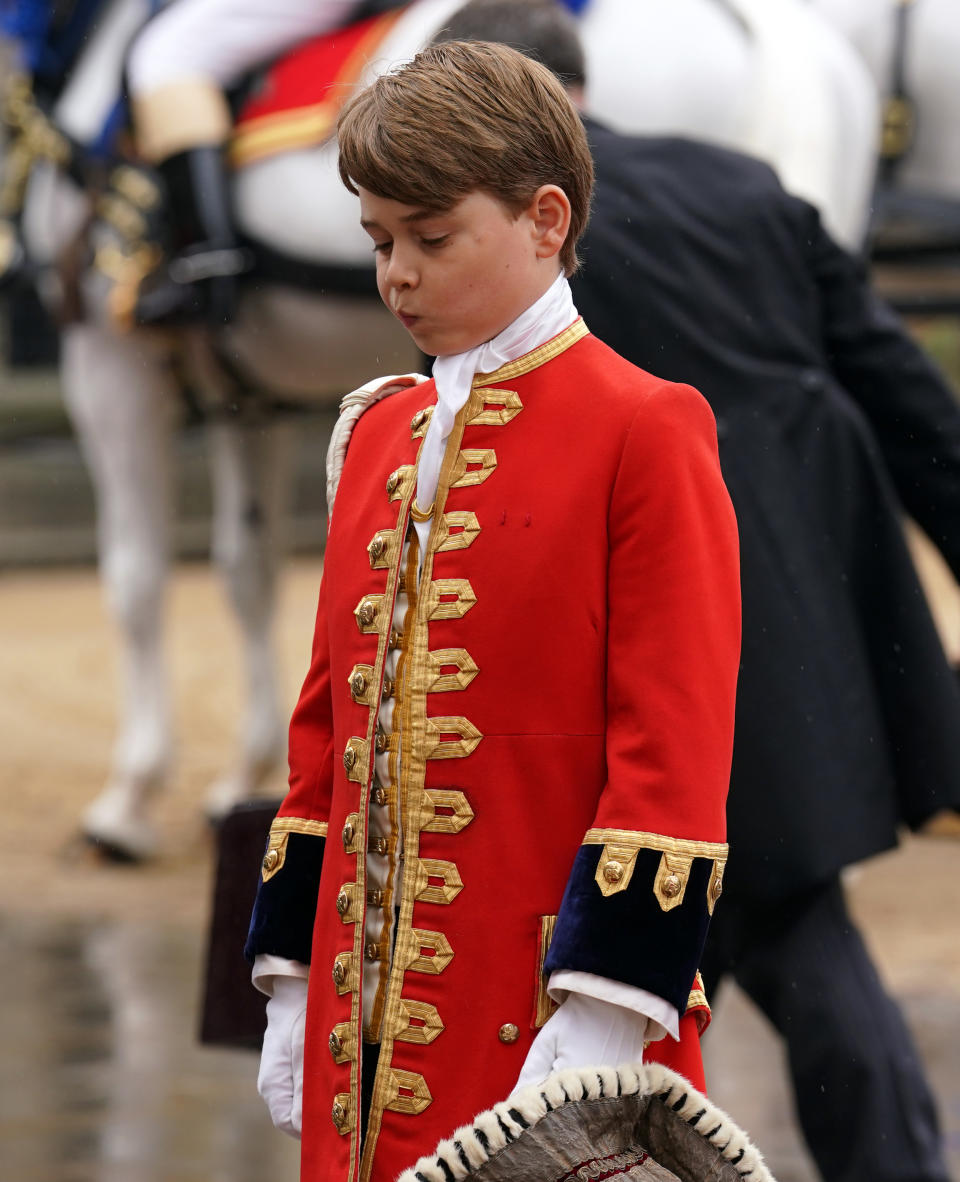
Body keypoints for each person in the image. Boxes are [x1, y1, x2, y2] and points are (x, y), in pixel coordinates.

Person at [429, 4, 960, 1181]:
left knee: (594, 1000)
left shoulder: (493, 253)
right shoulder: (742, 187)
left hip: (606, 677)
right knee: (805, 946)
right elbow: (908, 400)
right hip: (789, 646)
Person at [243, 37, 741, 1182]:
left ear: (546, 219)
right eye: (378, 243)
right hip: (359, 1016)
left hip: (541, 1005)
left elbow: (674, 743)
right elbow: (327, 737)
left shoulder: (647, 426)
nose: (397, 276)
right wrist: (293, 971)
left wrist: (612, 1006)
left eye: (431, 238)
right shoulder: (374, 434)